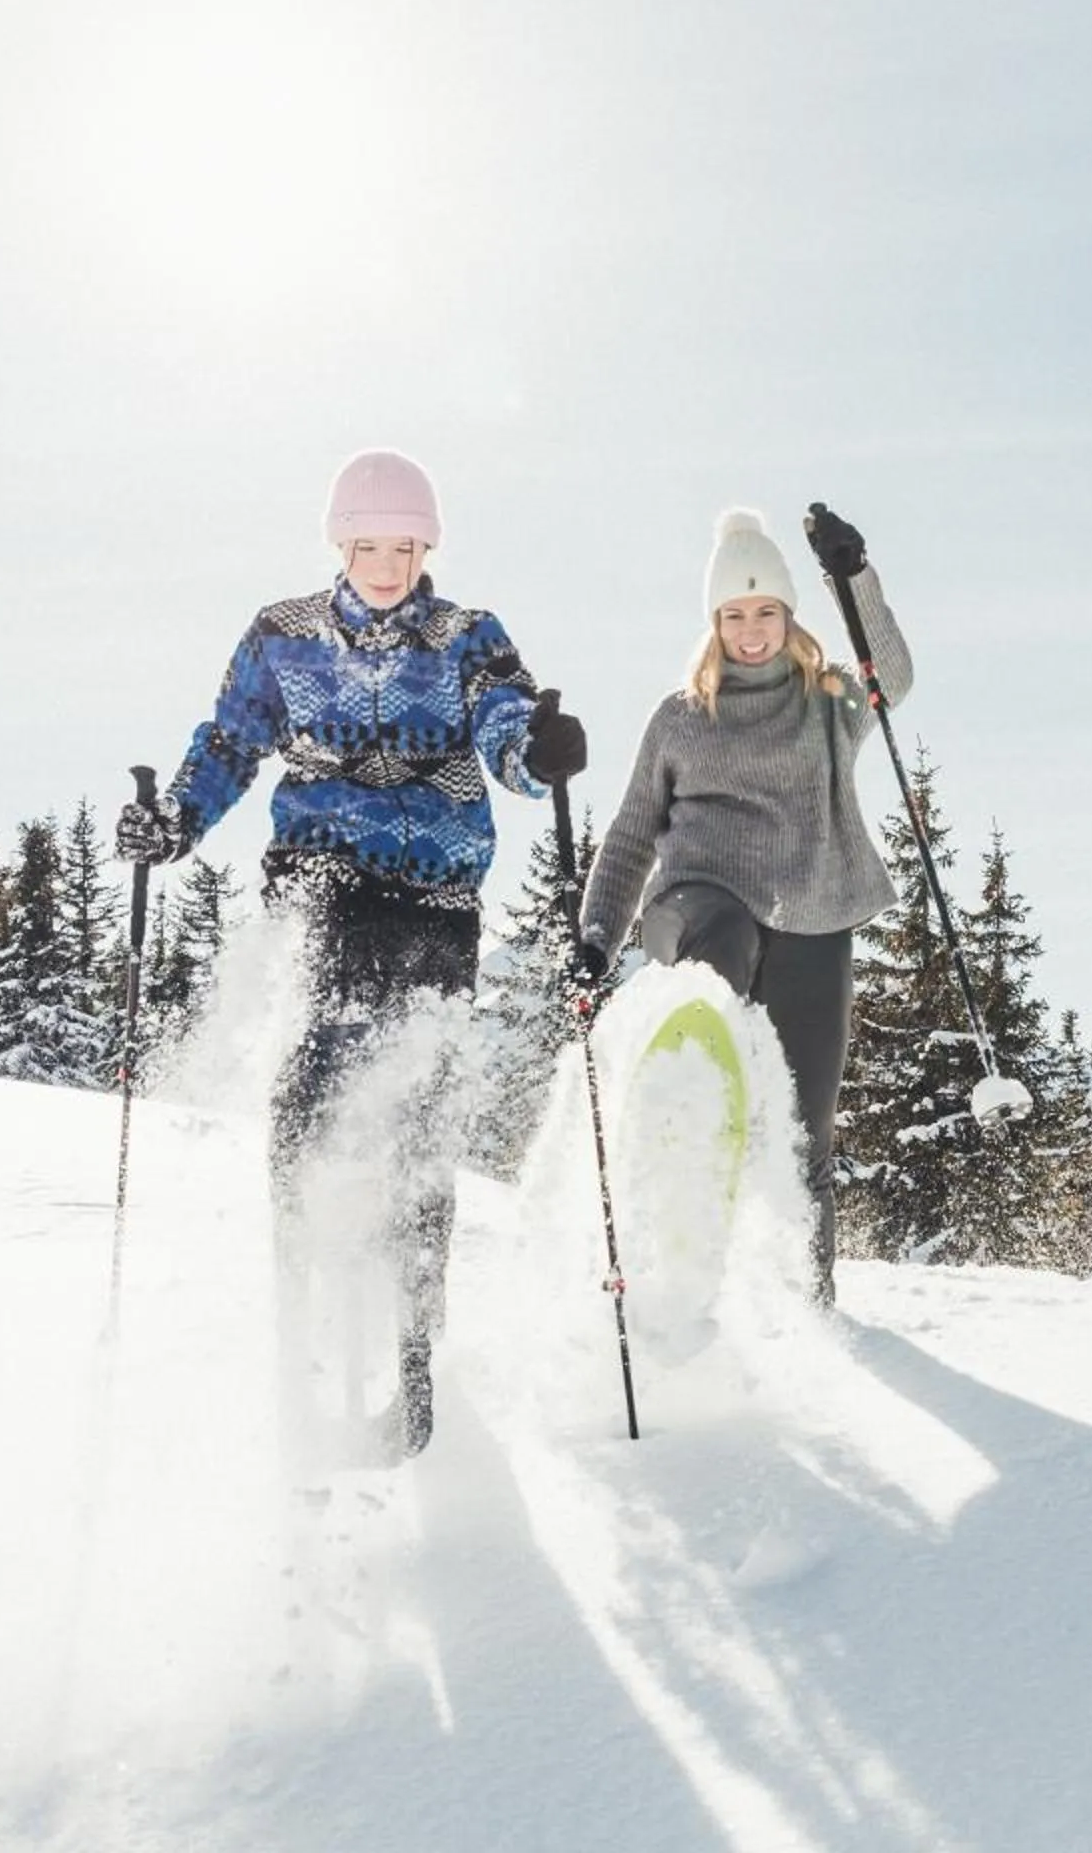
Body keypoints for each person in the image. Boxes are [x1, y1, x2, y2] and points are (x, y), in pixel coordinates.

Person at [116, 449, 585, 1458]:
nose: (384, 563)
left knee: (415, 1112)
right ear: (340, 542)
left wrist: (534, 753)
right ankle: (304, 1325)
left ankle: (410, 1356)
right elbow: (231, 742)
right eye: (367, 543)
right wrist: (175, 825)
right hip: (318, 882)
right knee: (311, 1096)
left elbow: (509, 721)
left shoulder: (468, 635)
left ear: (428, 546)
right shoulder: (283, 637)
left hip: (432, 896)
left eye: (403, 544)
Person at [575, 505, 904, 1306]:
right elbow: (627, 839)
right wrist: (593, 937)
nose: (750, 630)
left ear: (789, 616)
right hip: (697, 902)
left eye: (765, 613)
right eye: (733, 615)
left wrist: (853, 577)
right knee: (716, 938)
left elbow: (889, 674)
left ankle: (807, 1304)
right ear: (712, 621)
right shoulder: (681, 717)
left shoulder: (826, 701)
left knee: (804, 1132)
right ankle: (679, 1129)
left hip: (811, 913)